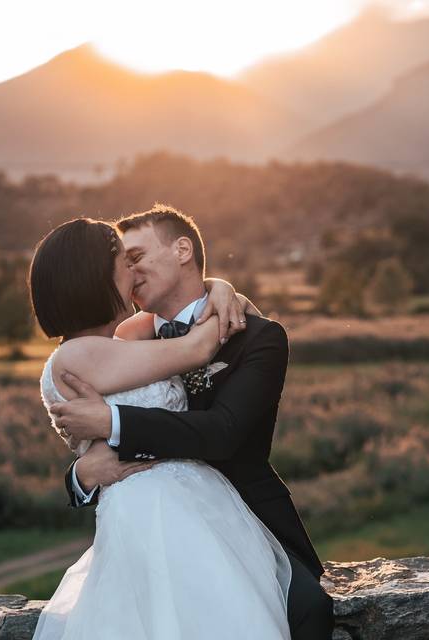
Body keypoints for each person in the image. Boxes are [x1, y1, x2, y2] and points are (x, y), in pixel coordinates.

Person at [50, 204, 335, 639]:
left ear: (183, 249)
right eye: (123, 263)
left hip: (252, 518)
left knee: (306, 611)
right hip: (156, 529)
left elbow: (222, 434)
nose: (130, 270)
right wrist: (81, 474)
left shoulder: (256, 336)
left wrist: (113, 422)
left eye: (137, 256)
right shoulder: (124, 339)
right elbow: (89, 440)